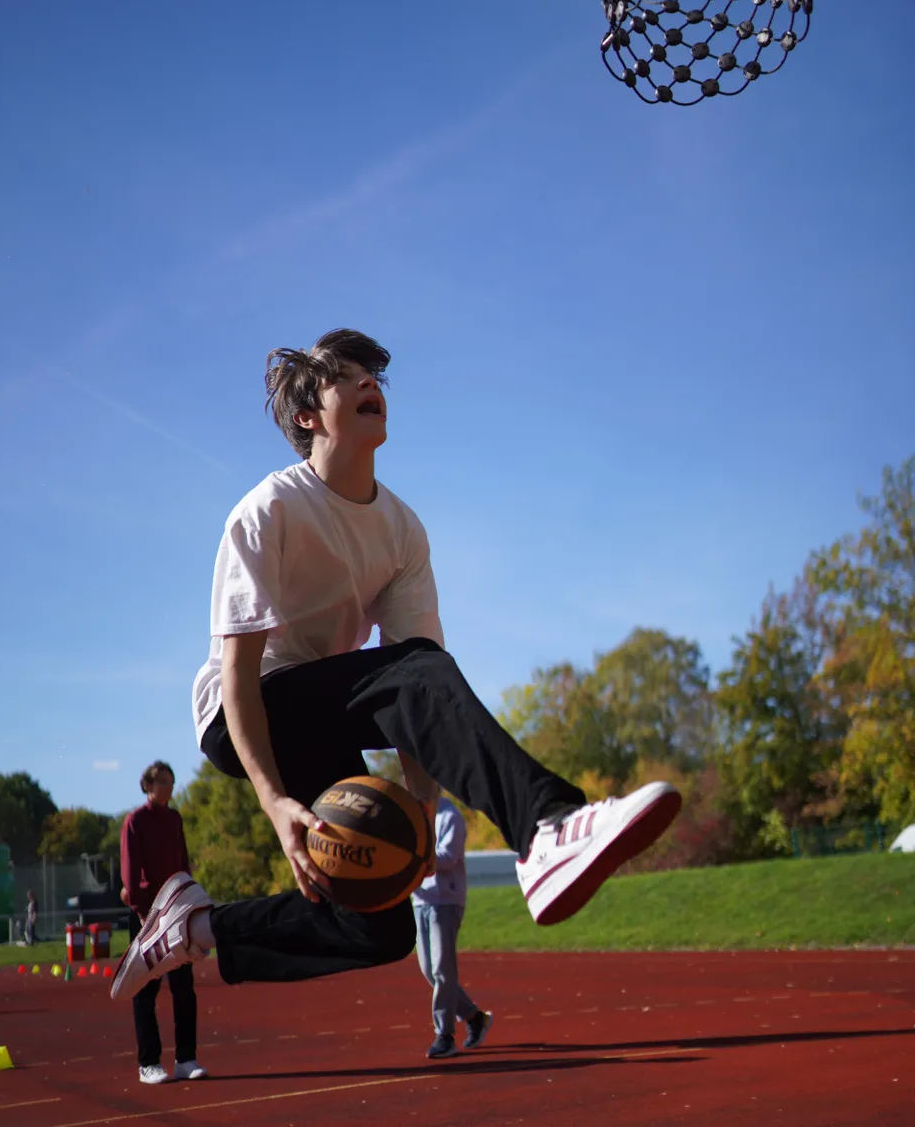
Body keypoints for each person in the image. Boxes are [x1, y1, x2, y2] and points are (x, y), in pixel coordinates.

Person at [110, 329, 681, 1005]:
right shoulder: (268, 511)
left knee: (379, 923)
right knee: (413, 668)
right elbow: (239, 675)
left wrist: (422, 808)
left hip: (324, 710)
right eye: (345, 376)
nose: (368, 383)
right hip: (244, 712)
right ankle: (546, 828)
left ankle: (196, 927)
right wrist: (274, 802)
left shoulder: (403, 531)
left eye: (373, 376)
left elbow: (423, 696)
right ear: (307, 417)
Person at [119, 761, 207, 1085]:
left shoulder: (174, 819)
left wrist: (189, 898)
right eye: (164, 782)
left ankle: (186, 1059)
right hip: (147, 915)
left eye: (171, 782)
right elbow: (130, 871)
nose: (170, 787)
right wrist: (142, 912)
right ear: (149, 785)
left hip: (176, 912)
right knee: (146, 989)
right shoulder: (135, 821)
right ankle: (149, 1063)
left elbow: (182, 862)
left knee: (184, 988)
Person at [412, 795, 492, 1059]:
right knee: (429, 971)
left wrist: (410, 858)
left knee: (442, 970)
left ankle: (444, 1035)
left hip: (445, 900)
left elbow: (447, 858)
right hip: (420, 900)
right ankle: (474, 1017)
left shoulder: (450, 816)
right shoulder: (410, 815)